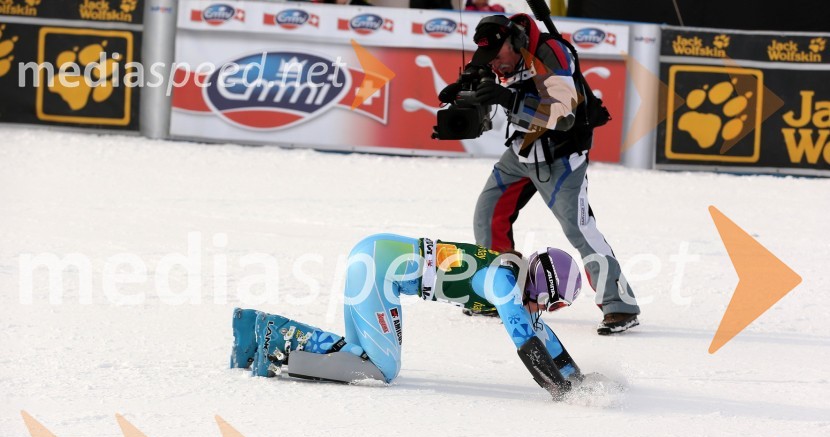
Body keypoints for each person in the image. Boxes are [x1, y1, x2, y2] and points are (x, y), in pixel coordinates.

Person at [438, 14, 640, 335]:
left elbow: (564, 115)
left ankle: (619, 305)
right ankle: (498, 294)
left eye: (499, 58)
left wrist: (506, 96)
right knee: (488, 215)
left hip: (561, 155)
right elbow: (487, 89)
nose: (496, 66)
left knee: (579, 228)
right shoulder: (496, 56)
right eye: (489, 60)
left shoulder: (552, 53)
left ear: (515, 43)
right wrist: (465, 91)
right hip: (521, 150)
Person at [231, 234, 585, 400]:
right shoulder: (503, 282)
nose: (548, 311)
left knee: (358, 353)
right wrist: (560, 390)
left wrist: (578, 377)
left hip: (371, 255)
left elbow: (540, 332)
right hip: (378, 271)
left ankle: (258, 331)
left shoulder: (509, 275)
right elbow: (523, 335)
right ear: (542, 287)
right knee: (381, 370)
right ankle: (276, 352)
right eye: (553, 304)